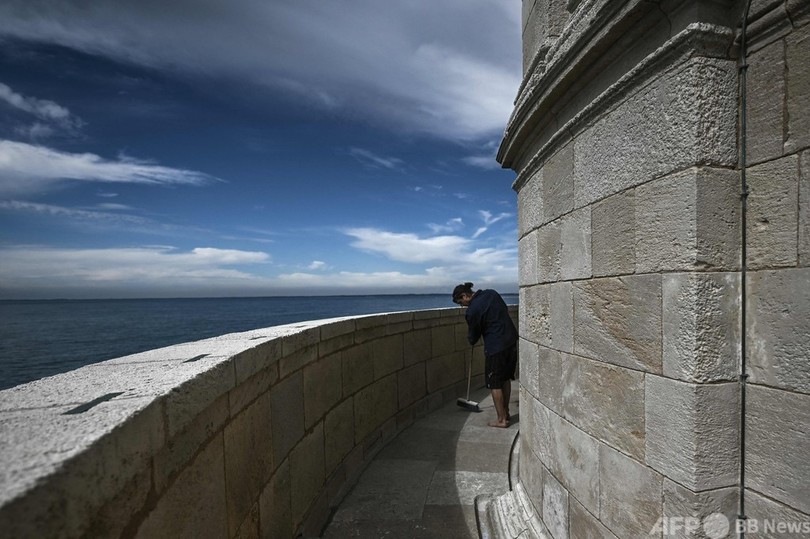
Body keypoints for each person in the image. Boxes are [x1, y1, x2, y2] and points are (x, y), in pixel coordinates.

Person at [452, 282, 518, 428]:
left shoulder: (472, 310)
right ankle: (505, 412)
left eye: (461, 303)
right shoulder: (491, 293)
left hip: (496, 347)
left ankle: (501, 420)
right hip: (511, 341)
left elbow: (473, 334)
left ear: (465, 296)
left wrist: (471, 339)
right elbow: (503, 310)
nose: (463, 306)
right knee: (505, 378)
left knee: (494, 383)